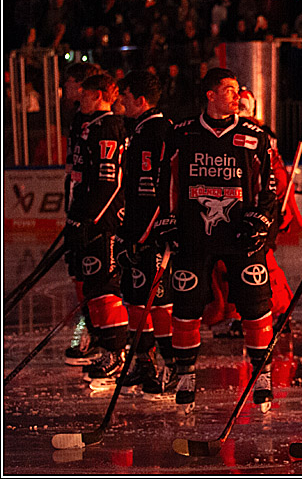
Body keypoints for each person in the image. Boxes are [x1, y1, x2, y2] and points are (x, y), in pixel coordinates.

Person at [156, 67, 279, 414]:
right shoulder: (182, 133)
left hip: (241, 236)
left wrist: (260, 220)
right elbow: (168, 182)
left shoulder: (255, 135)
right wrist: (167, 220)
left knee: (256, 305)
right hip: (194, 235)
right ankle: (185, 375)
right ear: (209, 95)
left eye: (238, 90)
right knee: (187, 306)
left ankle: (263, 373)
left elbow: (268, 188)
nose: (237, 96)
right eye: (228, 90)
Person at [205, 88, 300, 338]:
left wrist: (271, 209)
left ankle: (275, 311)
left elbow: (275, 174)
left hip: (257, 212)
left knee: (260, 264)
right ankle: (242, 313)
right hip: (236, 211)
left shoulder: (257, 136)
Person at [112, 70, 176, 398]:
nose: (119, 102)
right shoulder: (138, 131)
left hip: (153, 237)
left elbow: (157, 194)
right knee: (136, 300)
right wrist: (126, 234)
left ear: (141, 100)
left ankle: (170, 365)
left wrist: (143, 237)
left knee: (159, 301)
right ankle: (145, 362)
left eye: (125, 97)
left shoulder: (157, 132)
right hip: (137, 232)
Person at [65, 71, 129, 389]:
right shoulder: (84, 123)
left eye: (86, 93)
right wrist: (74, 219)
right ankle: (100, 343)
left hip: (103, 223)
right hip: (85, 217)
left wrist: (88, 220)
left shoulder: (108, 127)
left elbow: (109, 182)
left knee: (105, 285)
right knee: (89, 283)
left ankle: (114, 353)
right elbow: (76, 178)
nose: (80, 97)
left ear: (100, 95)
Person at [60, 62, 105, 367]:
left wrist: (87, 217)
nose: (65, 90)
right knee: (79, 275)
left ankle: (100, 336)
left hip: (95, 216)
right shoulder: (78, 119)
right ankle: (91, 330)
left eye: (70, 84)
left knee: (96, 278)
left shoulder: (105, 123)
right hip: (77, 205)